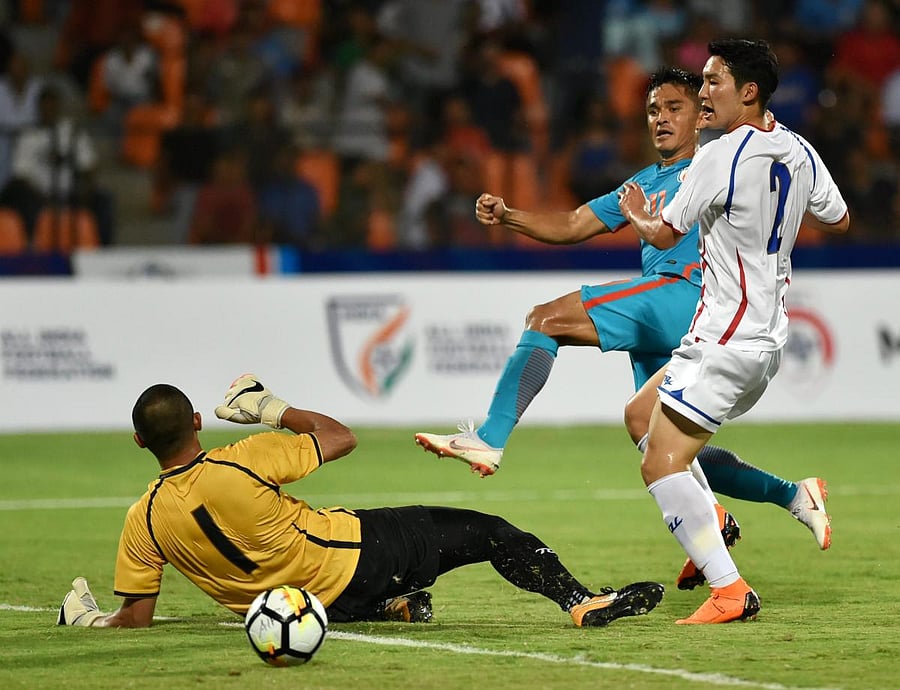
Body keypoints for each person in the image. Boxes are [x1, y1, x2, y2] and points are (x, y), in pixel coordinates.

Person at [413, 67, 833, 572]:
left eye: (673, 108)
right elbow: (571, 224)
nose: (660, 119)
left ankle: (490, 439)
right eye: (653, 110)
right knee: (664, 444)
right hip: (674, 321)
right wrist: (509, 216)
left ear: (702, 116)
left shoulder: (715, 164)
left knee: (546, 318)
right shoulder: (642, 183)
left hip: (689, 297)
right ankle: (790, 496)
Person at [57, 374, 664, 629]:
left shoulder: (142, 520)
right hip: (357, 556)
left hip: (301, 606)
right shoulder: (238, 459)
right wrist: (270, 407)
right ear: (195, 419)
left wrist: (89, 621)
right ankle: (581, 602)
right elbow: (339, 438)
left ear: (140, 441)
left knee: (400, 585)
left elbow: (133, 620)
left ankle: (392, 608)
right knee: (490, 531)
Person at [616, 39, 849, 624]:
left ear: (747, 91)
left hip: (726, 341)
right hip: (761, 337)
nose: (702, 93)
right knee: (640, 417)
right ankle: (726, 514)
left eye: (712, 81)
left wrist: (638, 212)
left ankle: (729, 589)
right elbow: (839, 217)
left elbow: (664, 234)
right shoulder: (798, 149)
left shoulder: (716, 156)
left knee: (659, 465)